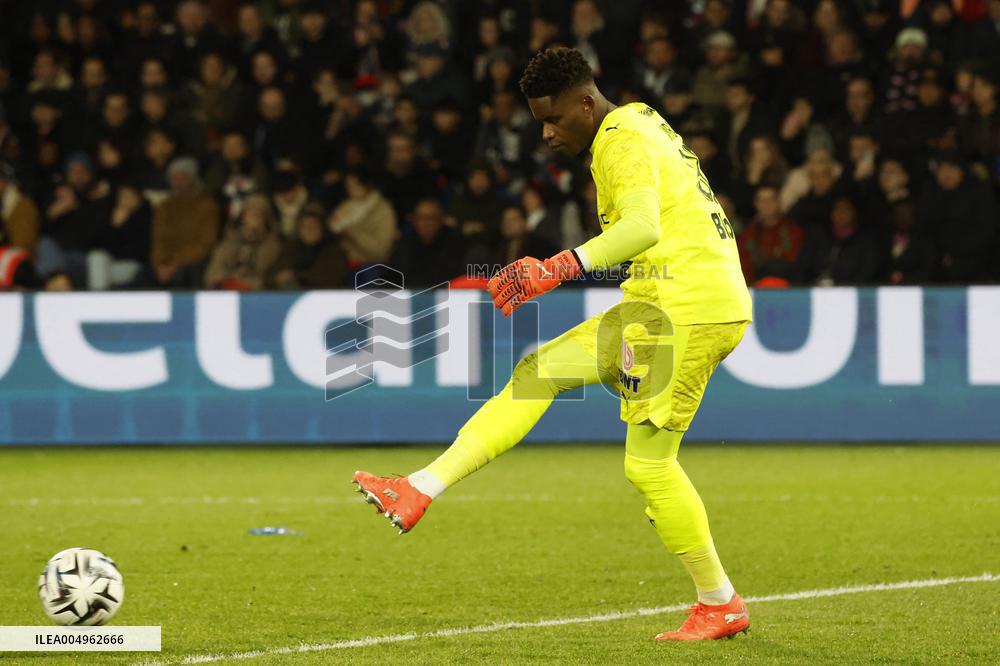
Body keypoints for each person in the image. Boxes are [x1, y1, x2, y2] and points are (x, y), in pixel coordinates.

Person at [354, 47, 753, 642]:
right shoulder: (639, 119)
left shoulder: (618, 140)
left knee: (649, 466)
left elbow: (645, 226)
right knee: (539, 371)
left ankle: (719, 602)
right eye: (538, 121)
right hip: (664, 303)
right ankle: (418, 488)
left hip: (683, 309)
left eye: (553, 119)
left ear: (586, 104)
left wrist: (556, 267)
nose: (545, 133)